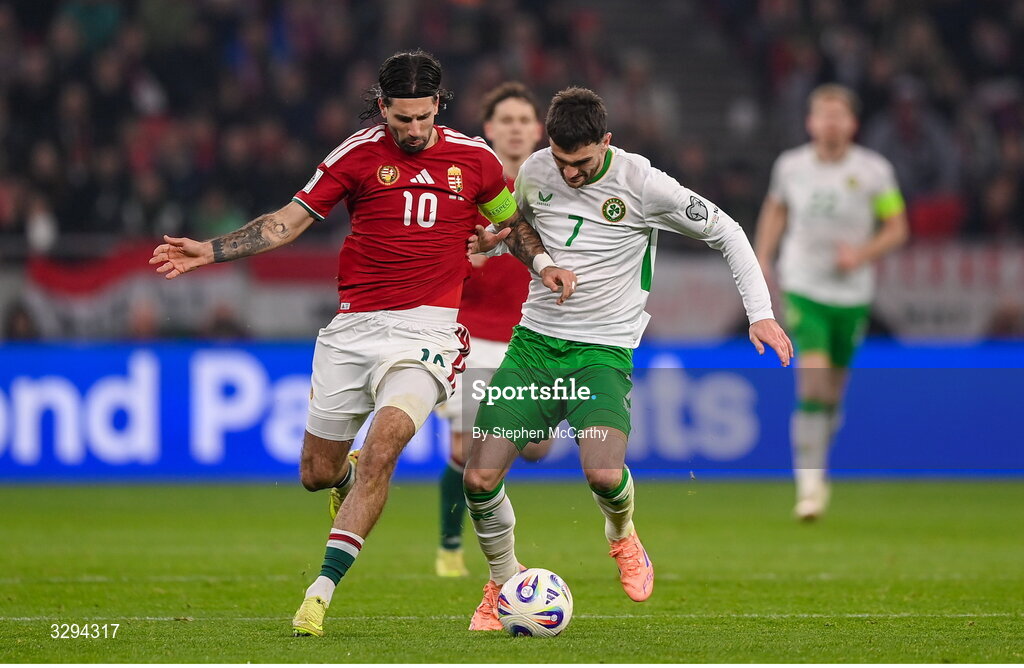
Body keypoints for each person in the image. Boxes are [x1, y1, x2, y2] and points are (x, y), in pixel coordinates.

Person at [148, 50, 577, 638]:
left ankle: (318, 595)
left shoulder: (474, 161)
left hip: (428, 333)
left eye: (425, 117)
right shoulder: (354, 155)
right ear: (382, 107)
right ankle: (343, 481)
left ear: (438, 107)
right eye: (403, 119)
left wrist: (545, 262)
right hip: (353, 331)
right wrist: (212, 250)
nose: (415, 130)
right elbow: (287, 222)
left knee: (385, 446)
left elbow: (510, 225)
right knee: (316, 473)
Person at [462, 87, 793, 630]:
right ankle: (501, 583)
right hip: (534, 345)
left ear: (607, 143)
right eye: (563, 162)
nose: (569, 175)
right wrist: (493, 241)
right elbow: (522, 229)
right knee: (478, 479)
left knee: (603, 471)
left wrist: (760, 313)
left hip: (603, 353)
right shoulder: (535, 171)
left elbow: (729, 232)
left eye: (583, 163)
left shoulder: (643, 183)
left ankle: (623, 538)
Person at [754, 84, 908, 521]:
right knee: (814, 379)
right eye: (823, 114)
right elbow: (776, 210)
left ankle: (818, 464)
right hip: (804, 285)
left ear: (852, 123)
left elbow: (897, 227)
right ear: (810, 122)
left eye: (839, 115)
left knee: (833, 393)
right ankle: (808, 486)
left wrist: (859, 255)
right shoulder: (791, 166)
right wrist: (763, 257)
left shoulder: (874, 171)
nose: (830, 122)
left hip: (852, 294)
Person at [432, 82, 547, 578]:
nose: (517, 128)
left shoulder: (552, 188)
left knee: (538, 446)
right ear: (490, 130)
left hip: (532, 335)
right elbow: (446, 256)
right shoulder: (473, 185)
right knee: (468, 448)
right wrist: (468, 259)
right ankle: (452, 548)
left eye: (525, 120)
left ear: (539, 130)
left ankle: (478, 533)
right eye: (507, 120)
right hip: (473, 333)